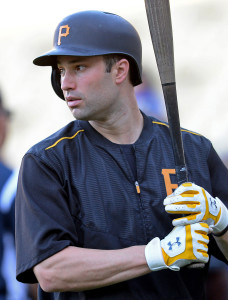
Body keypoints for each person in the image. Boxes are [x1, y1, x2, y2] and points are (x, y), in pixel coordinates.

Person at [15, 10, 228, 300]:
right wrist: (157, 254)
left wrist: (221, 220)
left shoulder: (194, 150)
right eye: (62, 70)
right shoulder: (46, 161)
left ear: (120, 70)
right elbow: (51, 271)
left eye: (78, 67)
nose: (65, 83)